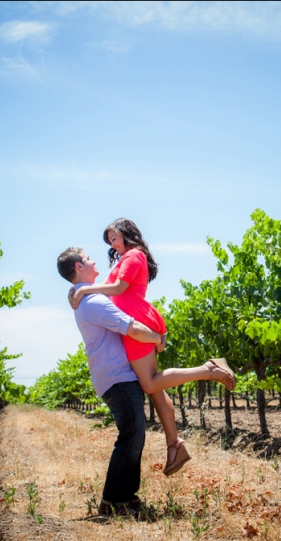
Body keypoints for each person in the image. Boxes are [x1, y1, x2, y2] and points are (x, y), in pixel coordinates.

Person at [69, 219, 236, 477]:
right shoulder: (126, 258)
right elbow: (109, 291)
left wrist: (86, 289)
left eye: (114, 238)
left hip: (136, 321)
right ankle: (174, 446)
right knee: (156, 390)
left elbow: (119, 288)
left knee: (149, 383)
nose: (112, 245)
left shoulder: (135, 255)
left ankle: (209, 369)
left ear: (126, 235)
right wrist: (78, 290)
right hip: (134, 319)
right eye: (110, 241)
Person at [58, 247, 166, 516]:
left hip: (115, 375)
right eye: (88, 258)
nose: (94, 261)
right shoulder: (94, 303)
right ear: (79, 268)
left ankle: (126, 496)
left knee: (135, 434)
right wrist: (158, 338)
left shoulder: (89, 297)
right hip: (117, 376)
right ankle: (112, 501)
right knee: (131, 434)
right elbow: (130, 327)